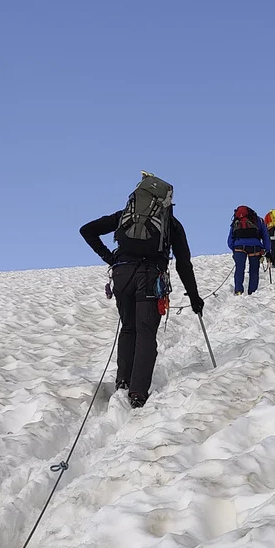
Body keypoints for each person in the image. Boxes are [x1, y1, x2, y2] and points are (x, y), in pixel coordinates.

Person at [80, 173, 203, 408]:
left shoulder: (125, 216)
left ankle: (123, 382)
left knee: (128, 328)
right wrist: (194, 296)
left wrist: (110, 258)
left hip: (122, 275)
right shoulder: (171, 224)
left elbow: (87, 230)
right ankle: (137, 393)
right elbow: (183, 263)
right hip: (150, 277)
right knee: (146, 333)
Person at [227, 205, 271, 295]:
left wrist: (234, 249)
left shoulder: (237, 220)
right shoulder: (258, 220)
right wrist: (267, 250)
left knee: (239, 269)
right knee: (254, 270)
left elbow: (230, 238)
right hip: (255, 247)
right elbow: (266, 236)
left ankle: (238, 290)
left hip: (239, 247)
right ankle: (252, 292)